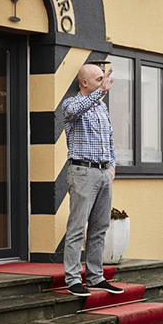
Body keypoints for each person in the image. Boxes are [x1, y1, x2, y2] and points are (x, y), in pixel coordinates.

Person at [59, 64, 124, 297]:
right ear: (84, 82)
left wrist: (112, 165)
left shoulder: (101, 108)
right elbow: (74, 111)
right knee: (77, 228)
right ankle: (73, 278)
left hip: (103, 172)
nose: (104, 82)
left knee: (100, 228)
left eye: (104, 79)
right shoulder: (72, 104)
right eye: (99, 79)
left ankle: (96, 277)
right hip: (82, 172)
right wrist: (101, 91)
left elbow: (110, 137)